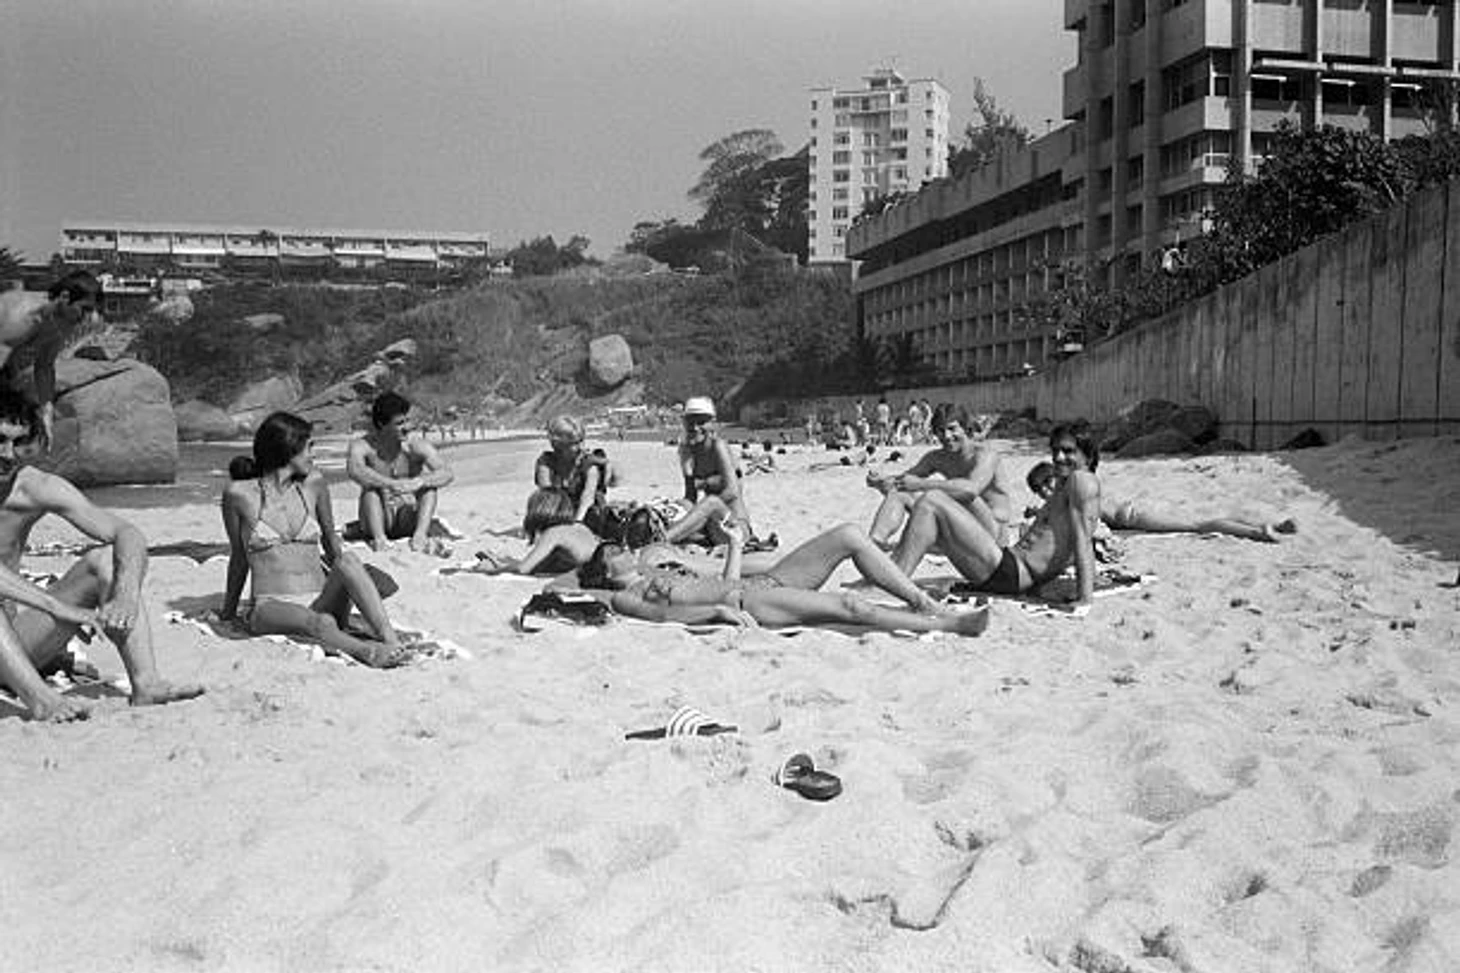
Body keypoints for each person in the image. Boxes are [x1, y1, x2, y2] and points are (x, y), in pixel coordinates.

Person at [0, 388, 203, 721]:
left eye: (19, 442)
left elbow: (127, 533)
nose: (9, 454)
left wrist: (125, 594)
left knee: (106, 560)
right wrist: (57, 606)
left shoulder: (34, 487)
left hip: (13, 648)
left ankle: (147, 684)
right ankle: (43, 702)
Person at [222, 411, 410, 668]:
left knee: (348, 560)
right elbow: (239, 557)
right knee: (321, 622)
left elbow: (331, 542)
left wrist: (354, 581)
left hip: (321, 599)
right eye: (309, 447)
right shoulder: (239, 494)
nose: (313, 454)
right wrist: (228, 613)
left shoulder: (314, 484)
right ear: (288, 448)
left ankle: (390, 640)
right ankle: (368, 652)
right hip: (271, 605)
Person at [576, 520, 989, 636]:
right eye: (612, 552)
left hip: (762, 584)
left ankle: (921, 602)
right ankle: (950, 625)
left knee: (848, 535)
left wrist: (735, 545)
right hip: (750, 603)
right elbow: (666, 618)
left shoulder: (654, 569)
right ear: (606, 572)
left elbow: (724, 581)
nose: (622, 549)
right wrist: (715, 613)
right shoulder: (626, 597)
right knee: (850, 605)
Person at [894, 425, 1102, 608]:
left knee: (932, 500)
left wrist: (1085, 598)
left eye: (1068, 451)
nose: (1058, 457)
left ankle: (893, 581)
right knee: (932, 515)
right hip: (1007, 567)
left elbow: (1083, 540)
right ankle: (890, 576)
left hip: (1013, 574)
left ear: (1088, 455)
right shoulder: (1066, 484)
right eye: (1055, 450)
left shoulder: (1082, 481)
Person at [866, 403, 1017, 550]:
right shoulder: (937, 457)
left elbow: (971, 490)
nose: (946, 436)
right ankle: (874, 544)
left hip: (993, 532)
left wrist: (920, 485)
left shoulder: (985, 455)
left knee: (962, 493)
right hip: (961, 526)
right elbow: (905, 481)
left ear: (965, 428)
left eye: (952, 429)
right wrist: (881, 481)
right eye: (940, 430)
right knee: (899, 492)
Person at [1027, 461, 1297, 543]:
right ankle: (1270, 525)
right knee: (1200, 521)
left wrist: (1039, 514)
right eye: (1040, 491)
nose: (1046, 492)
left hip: (1133, 517)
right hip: (1131, 514)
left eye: (1047, 484)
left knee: (1198, 526)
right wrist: (1038, 511)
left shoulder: (1070, 492)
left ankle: (1257, 532)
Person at [0, 270, 102, 445]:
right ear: (65, 297)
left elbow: (44, 366)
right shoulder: (25, 317)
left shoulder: (63, 322)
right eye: (85, 309)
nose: (88, 317)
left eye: (92, 310)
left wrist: (46, 408)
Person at [346, 391, 455, 552]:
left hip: (407, 517)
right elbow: (355, 470)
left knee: (429, 488)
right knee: (370, 490)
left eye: (407, 421)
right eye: (399, 423)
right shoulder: (363, 446)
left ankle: (420, 535)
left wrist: (417, 482)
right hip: (380, 518)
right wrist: (391, 485)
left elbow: (446, 472)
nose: (407, 427)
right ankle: (380, 539)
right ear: (382, 424)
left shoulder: (414, 445)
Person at [664, 396, 769, 549]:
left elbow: (733, 491)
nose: (695, 427)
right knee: (682, 506)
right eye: (691, 422)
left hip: (734, 526)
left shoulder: (718, 446)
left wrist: (702, 511)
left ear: (712, 423)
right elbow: (690, 496)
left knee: (711, 502)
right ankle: (659, 537)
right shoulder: (687, 452)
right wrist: (682, 508)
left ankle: (661, 540)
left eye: (701, 422)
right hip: (711, 528)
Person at [533, 415, 611, 531]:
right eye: (573, 443)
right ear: (558, 444)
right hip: (559, 512)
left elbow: (587, 497)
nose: (580, 447)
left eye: (581, 441)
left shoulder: (589, 463)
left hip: (588, 514)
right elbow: (547, 494)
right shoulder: (547, 461)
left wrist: (577, 523)